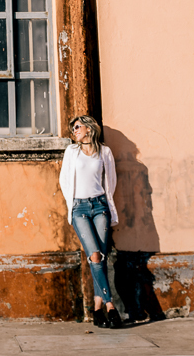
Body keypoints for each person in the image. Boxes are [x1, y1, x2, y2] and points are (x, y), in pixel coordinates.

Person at [59, 114, 124, 329]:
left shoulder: (104, 152)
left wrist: (104, 202)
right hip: (80, 209)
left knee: (101, 259)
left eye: (77, 127)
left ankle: (97, 310)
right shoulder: (72, 152)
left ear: (89, 128)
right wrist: (72, 204)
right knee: (95, 256)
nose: (74, 131)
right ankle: (110, 305)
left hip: (100, 207)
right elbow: (64, 180)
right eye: (73, 129)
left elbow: (110, 181)